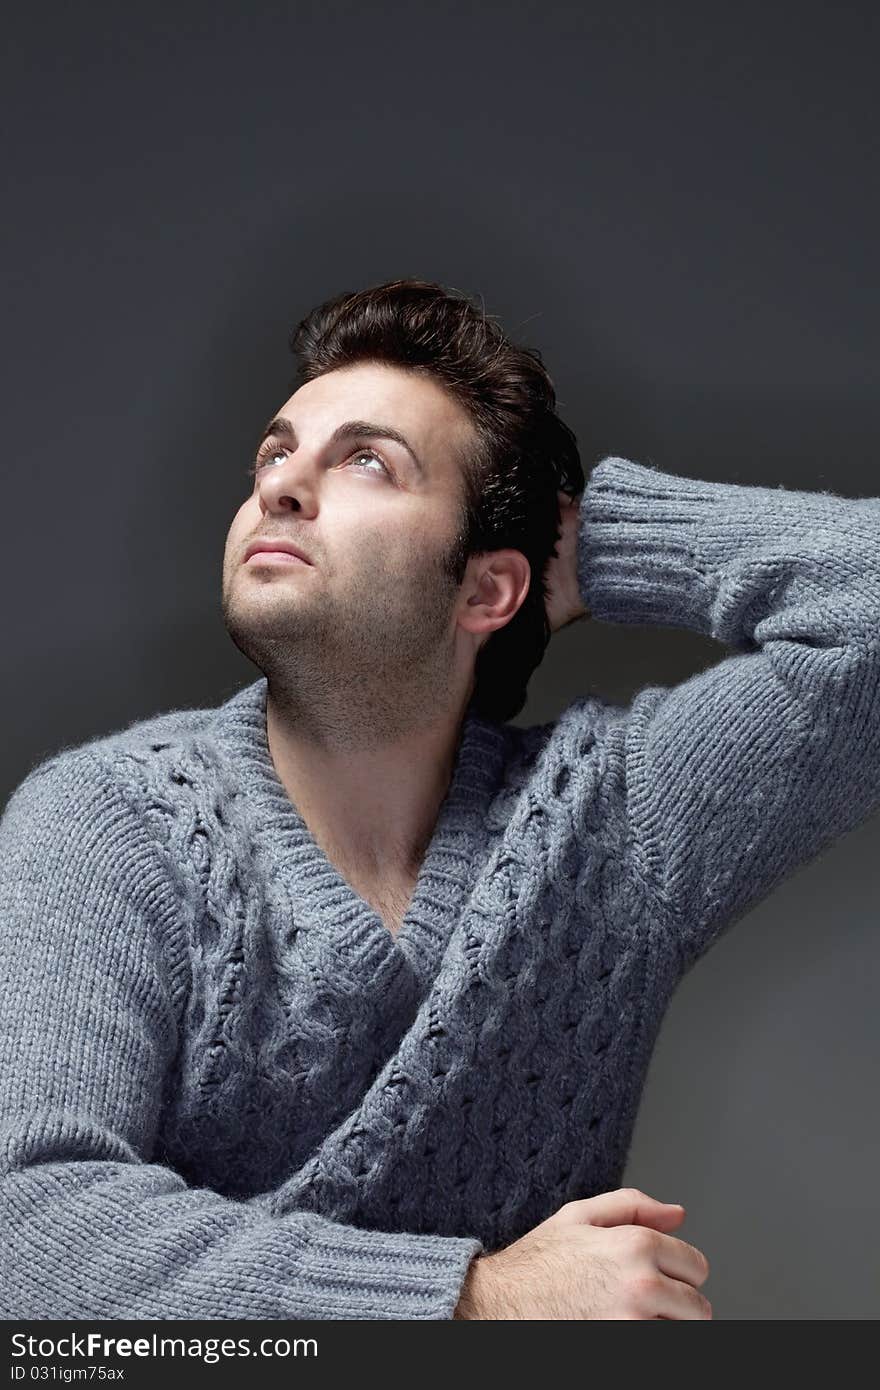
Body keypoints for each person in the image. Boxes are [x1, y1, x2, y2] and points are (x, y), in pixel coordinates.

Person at [1, 278, 877, 1320]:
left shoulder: (611, 820)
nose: (280, 486)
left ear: (488, 590)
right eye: (276, 454)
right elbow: (28, 1227)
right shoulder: (107, 824)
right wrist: (471, 1297)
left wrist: (596, 542)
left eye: (367, 461)